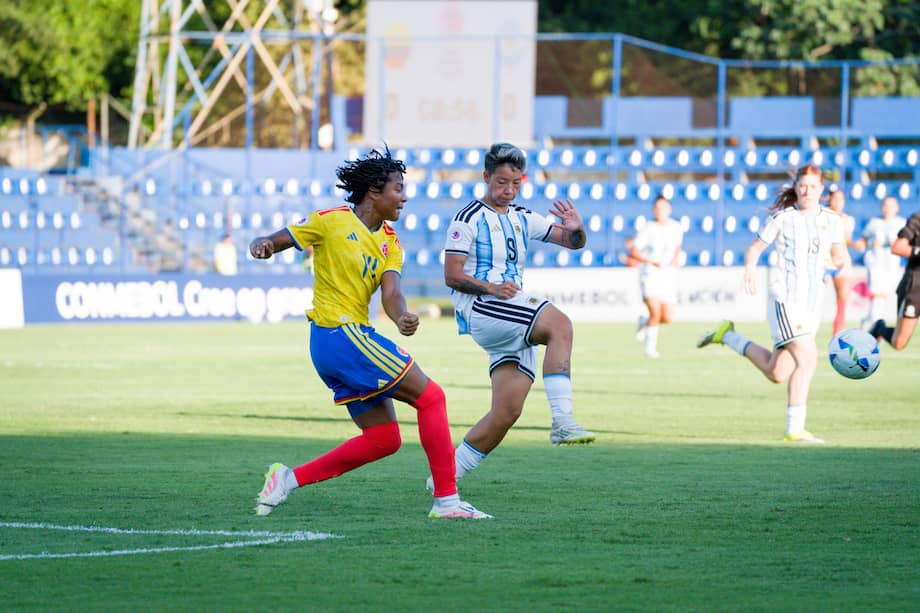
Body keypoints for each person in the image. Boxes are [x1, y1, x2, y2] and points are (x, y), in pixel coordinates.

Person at [249, 147, 490, 520]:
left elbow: (391, 293)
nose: (405, 197)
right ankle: (447, 502)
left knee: (384, 440)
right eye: (398, 188)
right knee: (432, 398)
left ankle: (286, 479)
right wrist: (262, 246)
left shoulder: (390, 242)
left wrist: (400, 317)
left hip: (341, 342)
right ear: (374, 192)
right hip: (340, 334)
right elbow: (273, 240)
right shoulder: (330, 221)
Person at [428, 142, 596, 490]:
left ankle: (443, 480)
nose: (508, 190)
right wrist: (490, 289)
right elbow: (451, 275)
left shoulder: (522, 217)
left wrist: (577, 228)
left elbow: (573, 242)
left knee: (506, 413)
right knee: (560, 325)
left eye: (515, 183)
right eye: (501, 182)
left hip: (509, 314)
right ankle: (562, 421)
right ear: (486, 177)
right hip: (484, 309)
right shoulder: (467, 220)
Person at [697, 164, 848, 444]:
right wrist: (750, 269)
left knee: (777, 372)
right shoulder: (783, 218)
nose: (807, 191)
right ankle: (795, 429)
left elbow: (840, 256)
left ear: (821, 190)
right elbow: (754, 249)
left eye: (813, 186)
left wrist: (837, 263)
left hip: (812, 306)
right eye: (802, 185)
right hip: (786, 299)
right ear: (796, 187)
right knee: (809, 359)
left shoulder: (833, 220)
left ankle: (728, 335)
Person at [630, 195, 684, 358]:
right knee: (655, 312)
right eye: (657, 208)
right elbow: (634, 251)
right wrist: (650, 262)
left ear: (669, 209)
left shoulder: (676, 227)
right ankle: (650, 349)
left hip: (668, 275)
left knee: (667, 317)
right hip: (650, 274)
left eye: (663, 207)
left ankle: (643, 322)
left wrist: (675, 259)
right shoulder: (649, 228)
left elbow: (677, 246)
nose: (660, 211)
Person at [868, 210, 920, 350]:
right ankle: (879, 327)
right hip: (915, 286)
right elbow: (898, 247)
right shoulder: (917, 219)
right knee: (899, 343)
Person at [853, 196, 905, 328]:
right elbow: (863, 241)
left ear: (896, 208)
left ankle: (868, 320)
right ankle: (877, 327)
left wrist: (897, 244)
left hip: (892, 262)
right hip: (876, 261)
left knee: (883, 296)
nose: (888, 209)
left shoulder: (901, 223)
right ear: (882, 207)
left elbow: (906, 243)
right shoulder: (874, 223)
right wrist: (870, 243)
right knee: (877, 294)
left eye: (891, 206)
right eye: (886, 205)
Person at [824, 187, 855, 334]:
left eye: (841, 199)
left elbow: (846, 240)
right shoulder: (821, 215)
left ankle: (837, 335)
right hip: (823, 261)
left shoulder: (847, 219)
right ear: (829, 199)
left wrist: (857, 244)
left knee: (842, 301)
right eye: (836, 198)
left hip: (842, 261)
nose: (839, 202)